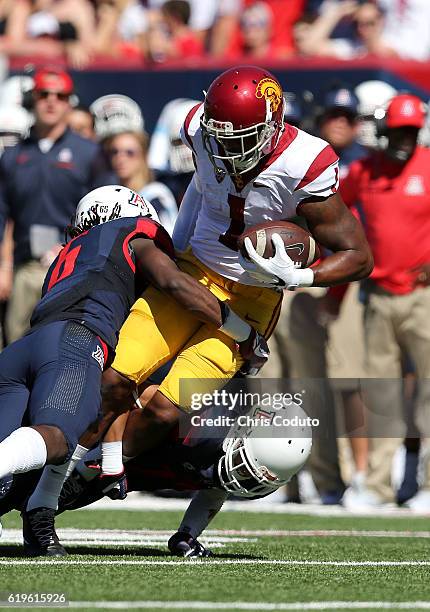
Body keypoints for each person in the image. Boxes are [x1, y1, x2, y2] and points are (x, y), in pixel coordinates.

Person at [95, 65, 372, 493]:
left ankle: (104, 474)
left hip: (252, 299)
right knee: (113, 377)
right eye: (219, 131)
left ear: (272, 125)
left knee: (167, 410)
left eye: (239, 136)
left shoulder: (304, 162)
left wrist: (299, 275)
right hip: (193, 272)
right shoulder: (198, 127)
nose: (224, 144)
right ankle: (79, 464)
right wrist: (178, 244)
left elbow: (358, 257)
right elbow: (200, 186)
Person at [0, 184, 267, 557]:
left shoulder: (72, 253)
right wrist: (243, 332)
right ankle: (41, 507)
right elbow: (174, 284)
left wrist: (110, 460)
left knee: (18, 468)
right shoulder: (133, 232)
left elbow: (119, 380)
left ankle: (39, 517)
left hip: (24, 347)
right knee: (57, 438)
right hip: (75, 342)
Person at [0, 397, 312, 557]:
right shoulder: (199, 423)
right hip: (107, 451)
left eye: (251, 478)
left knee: (47, 500)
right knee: (31, 479)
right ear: (243, 432)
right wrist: (100, 461)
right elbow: (123, 402)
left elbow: (215, 490)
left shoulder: (258, 475)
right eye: (243, 468)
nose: (239, 480)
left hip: (123, 476)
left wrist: (187, 534)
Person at [340, 93, 430, 510]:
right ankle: (376, 485)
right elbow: (336, 212)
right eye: (397, 131)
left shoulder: (428, 167)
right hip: (376, 296)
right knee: (381, 394)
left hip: (423, 296)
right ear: (384, 131)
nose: (404, 140)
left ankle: (428, 486)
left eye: (410, 132)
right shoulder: (363, 170)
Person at [0, 67, 101, 343]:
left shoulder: (89, 153)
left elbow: (103, 213)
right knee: (14, 348)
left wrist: (69, 247)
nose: (51, 100)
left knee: (59, 348)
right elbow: (4, 215)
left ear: (70, 102)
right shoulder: (13, 156)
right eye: (44, 93)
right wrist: (4, 266)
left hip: (72, 266)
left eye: (60, 95)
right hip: (24, 267)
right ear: (33, 98)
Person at [108, 130, 178, 235]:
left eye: (129, 153)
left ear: (144, 155)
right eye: (115, 152)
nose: (120, 158)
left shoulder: (156, 195)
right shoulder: (111, 198)